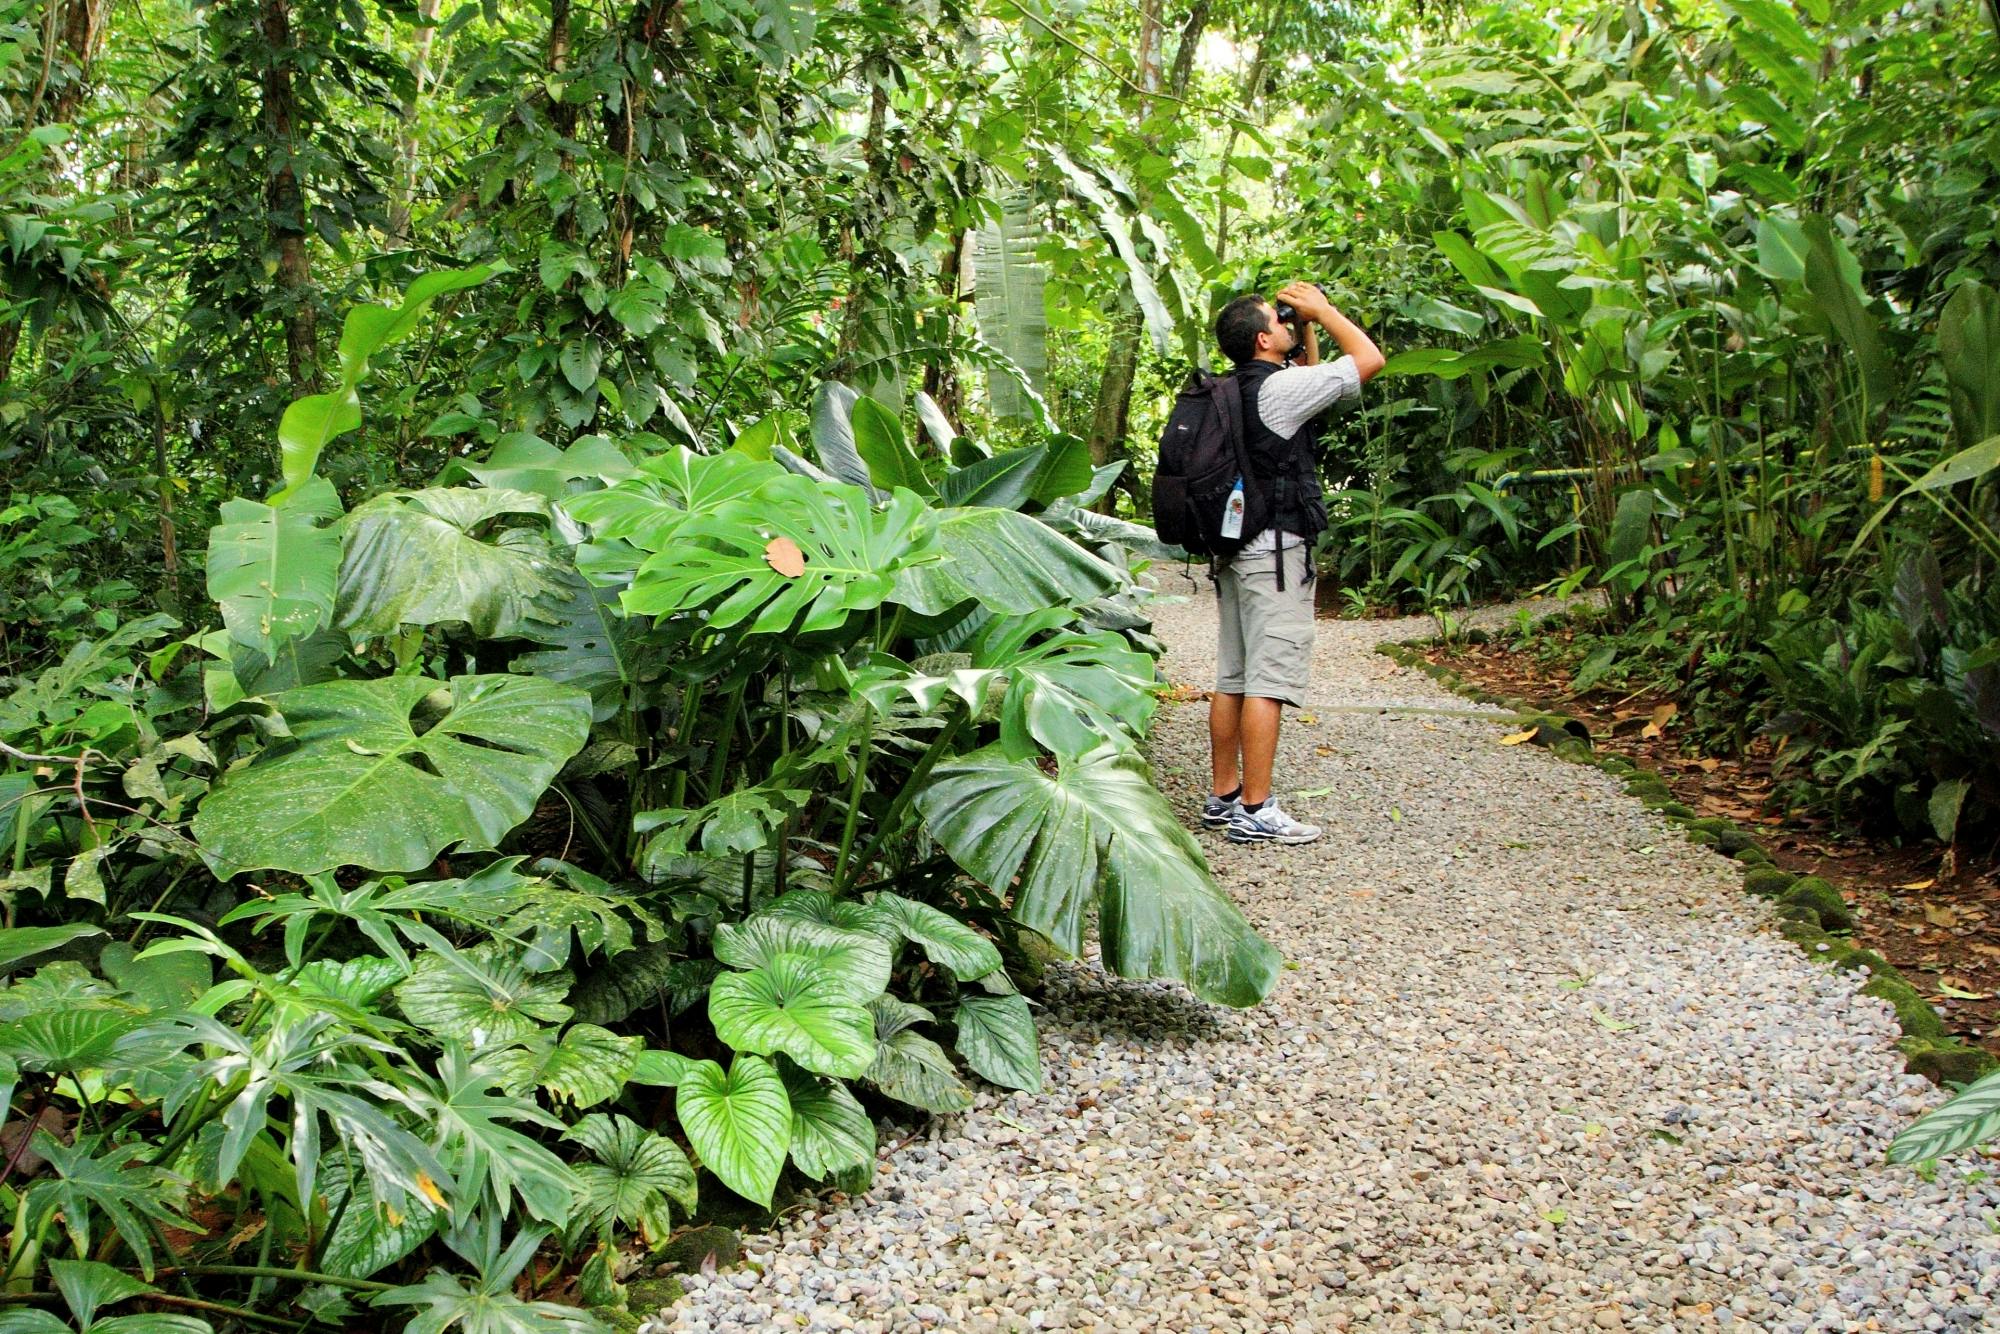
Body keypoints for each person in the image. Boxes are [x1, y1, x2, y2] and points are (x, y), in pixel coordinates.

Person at [1201, 282, 1384, 845]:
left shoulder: (1235, 388)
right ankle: (1257, 809)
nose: (1287, 324)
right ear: (1263, 338)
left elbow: (1312, 372)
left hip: (1235, 548)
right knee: (1268, 681)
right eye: (1277, 321)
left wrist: (1302, 328)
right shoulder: (1280, 391)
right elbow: (1369, 360)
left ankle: (1224, 797)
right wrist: (1323, 311)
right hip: (1274, 554)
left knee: (1233, 677)